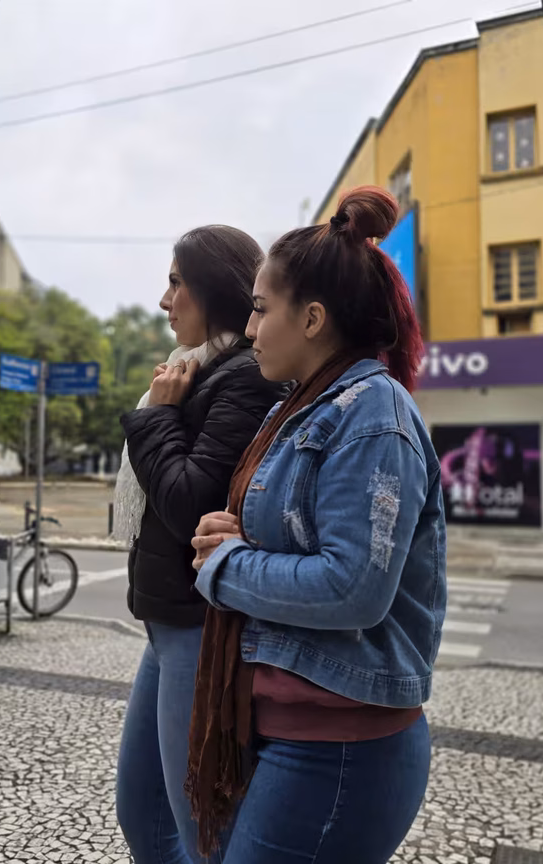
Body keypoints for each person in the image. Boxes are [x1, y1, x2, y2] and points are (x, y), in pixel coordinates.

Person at [186, 187, 447, 864]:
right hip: (293, 733)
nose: (250, 329)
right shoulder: (307, 405)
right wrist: (231, 529)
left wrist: (227, 564)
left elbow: (353, 588)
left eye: (260, 308)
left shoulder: (372, 415)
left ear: (311, 318)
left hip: (338, 748)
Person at [114, 225, 287, 863]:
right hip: (167, 626)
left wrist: (158, 417)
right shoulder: (199, 371)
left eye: (176, 282)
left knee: (200, 832)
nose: (164, 301)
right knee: (142, 814)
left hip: (200, 627)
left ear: (213, 289)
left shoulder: (243, 377)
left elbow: (190, 503)